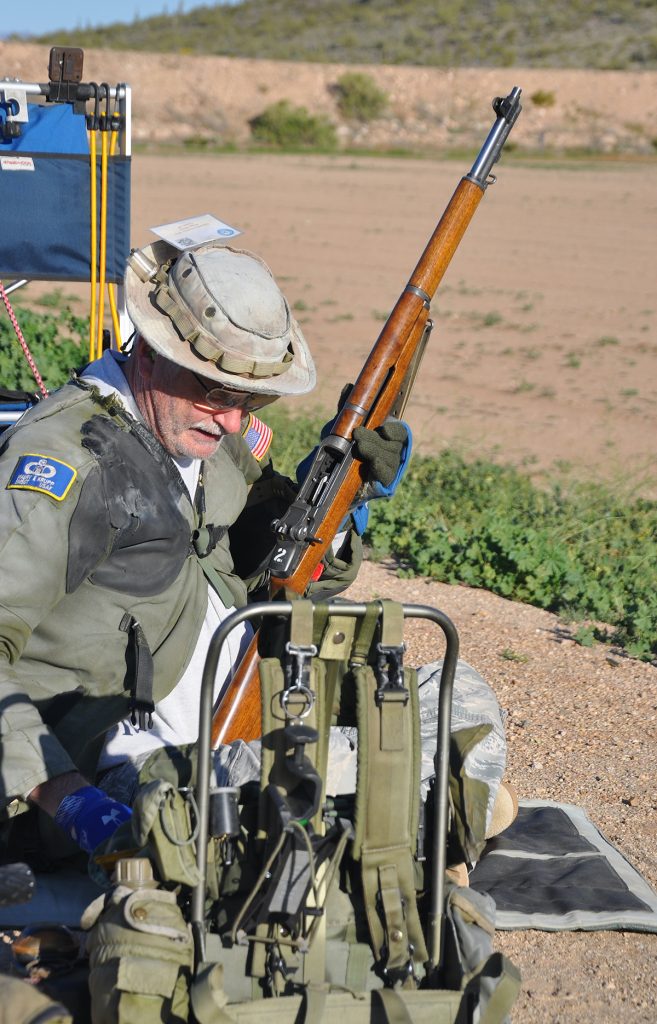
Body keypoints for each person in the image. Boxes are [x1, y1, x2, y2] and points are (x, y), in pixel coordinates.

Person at [0, 240, 410, 862]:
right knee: (381, 765)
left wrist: (335, 502)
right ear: (155, 349)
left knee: (445, 711)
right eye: (214, 391)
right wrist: (68, 797)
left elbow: (272, 566)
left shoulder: (205, 434)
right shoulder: (66, 462)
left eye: (249, 400)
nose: (229, 422)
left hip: (254, 701)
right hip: (129, 769)